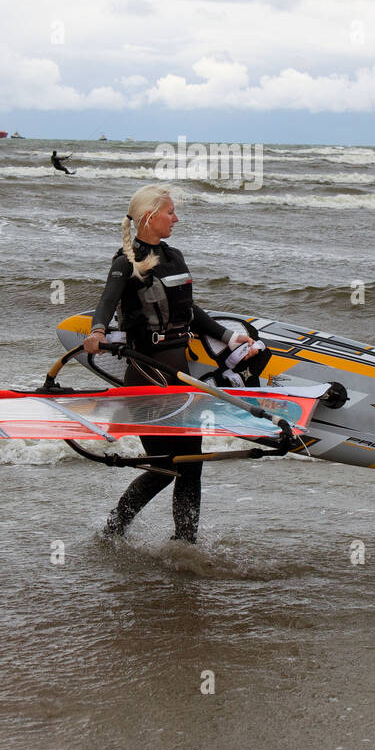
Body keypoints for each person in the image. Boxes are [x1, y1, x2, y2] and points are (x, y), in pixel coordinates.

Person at [85, 184, 257, 543]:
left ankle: (184, 543)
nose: (175, 218)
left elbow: (190, 312)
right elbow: (105, 302)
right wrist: (97, 330)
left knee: (189, 466)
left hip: (179, 379)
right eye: (170, 212)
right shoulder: (125, 263)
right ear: (150, 216)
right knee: (165, 466)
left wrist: (228, 337)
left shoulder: (175, 257)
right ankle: (114, 528)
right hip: (147, 378)